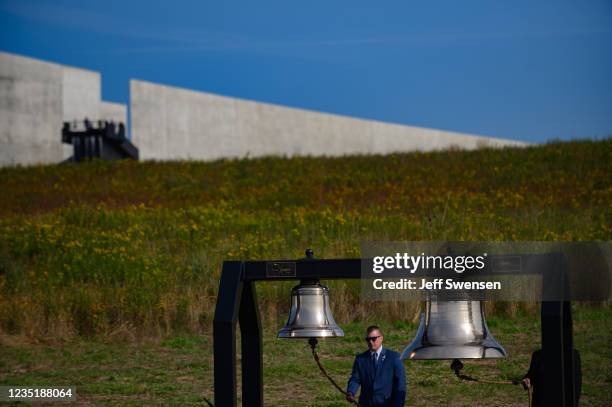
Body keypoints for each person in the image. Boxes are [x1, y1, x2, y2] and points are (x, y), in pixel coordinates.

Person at [346, 325, 406, 407]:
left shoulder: (394, 357)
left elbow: (400, 384)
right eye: (368, 339)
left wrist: (398, 404)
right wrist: (351, 392)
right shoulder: (360, 359)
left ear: (381, 338)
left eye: (373, 339)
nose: (371, 342)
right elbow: (355, 379)